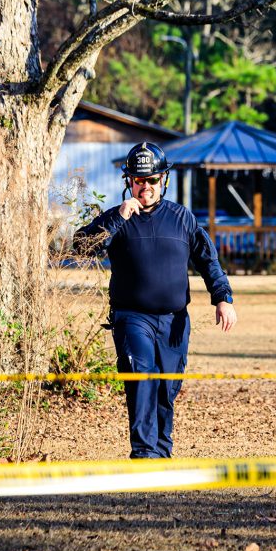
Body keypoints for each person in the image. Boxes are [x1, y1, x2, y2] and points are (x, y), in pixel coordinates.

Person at [75, 142, 237, 458]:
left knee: (167, 387)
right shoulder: (116, 218)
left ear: (163, 179)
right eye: (138, 180)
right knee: (141, 378)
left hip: (175, 320)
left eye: (151, 180)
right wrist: (117, 219)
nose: (145, 187)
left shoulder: (182, 218)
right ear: (129, 182)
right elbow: (82, 248)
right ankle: (143, 452)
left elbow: (208, 260)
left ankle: (162, 451)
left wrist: (223, 298)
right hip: (132, 317)